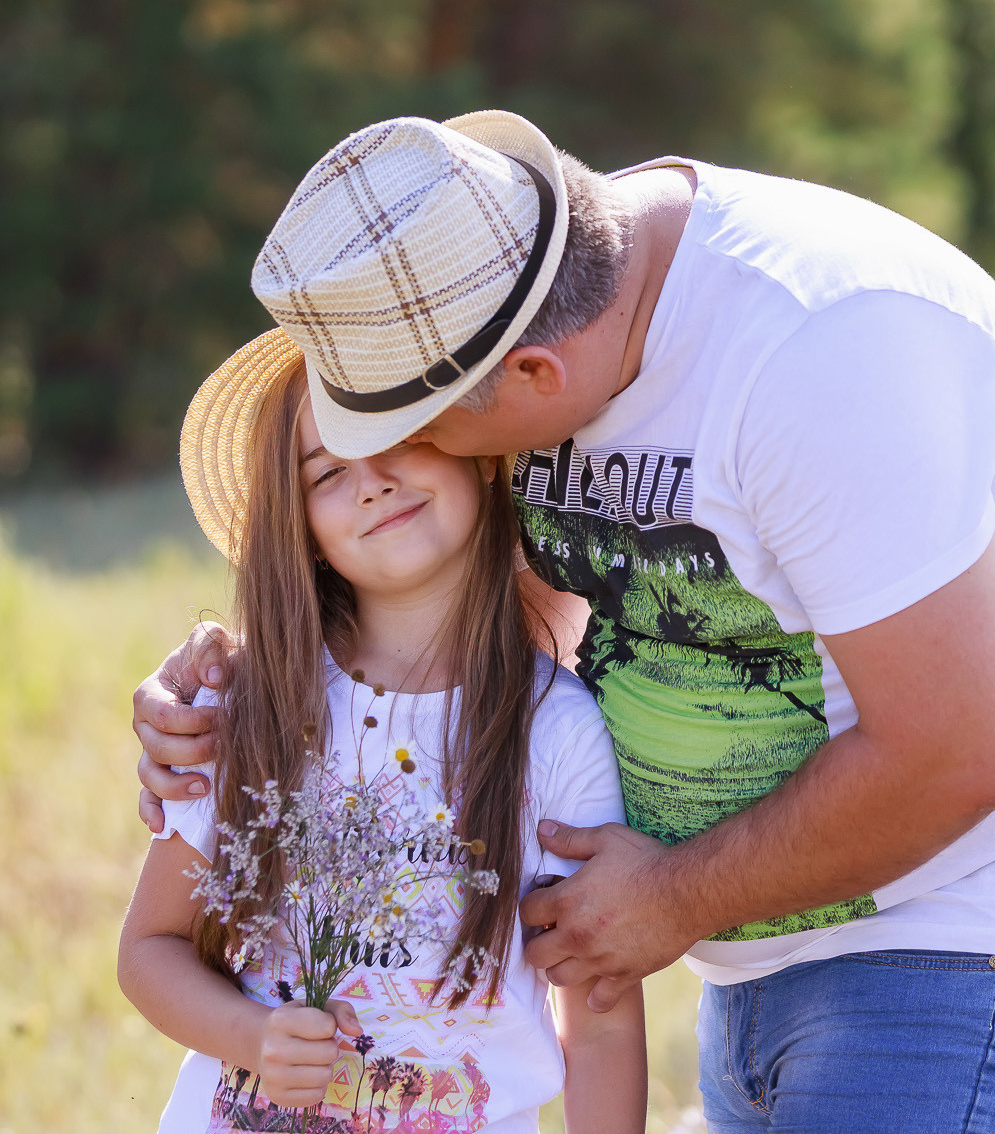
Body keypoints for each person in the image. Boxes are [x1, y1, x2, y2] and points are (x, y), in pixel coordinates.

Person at [135, 110, 995, 1127]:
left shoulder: (823, 350)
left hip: (966, 933)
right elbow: (505, 598)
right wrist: (248, 672)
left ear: (536, 379)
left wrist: (673, 895)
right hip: (760, 946)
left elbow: (960, 752)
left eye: (421, 434)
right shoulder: (527, 284)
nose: (409, 470)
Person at [117, 331, 646, 1133]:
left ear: (472, 446)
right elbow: (150, 947)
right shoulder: (257, 702)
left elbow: (600, 1019)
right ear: (305, 531)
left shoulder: (559, 732)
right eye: (327, 472)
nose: (371, 483)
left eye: (393, 434)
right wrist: (251, 1035)